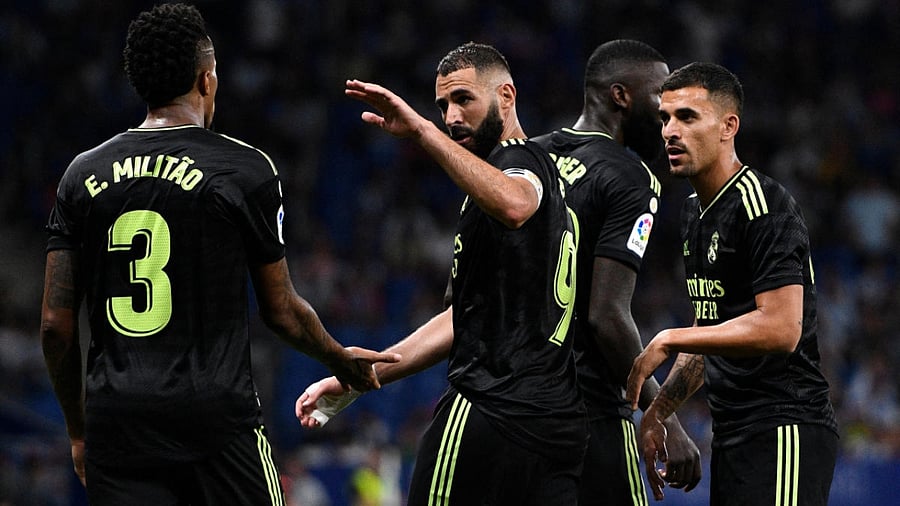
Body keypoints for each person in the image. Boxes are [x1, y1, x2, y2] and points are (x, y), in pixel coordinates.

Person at [39, 4, 399, 505]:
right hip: (216, 423)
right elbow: (282, 312)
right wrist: (341, 360)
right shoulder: (242, 169)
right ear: (206, 81)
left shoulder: (81, 175)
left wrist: (79, 429)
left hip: (119, 425)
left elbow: (56, 326)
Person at [296, 42, 587, 505]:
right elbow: (462, 319)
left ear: (507, 97)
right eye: (442, 106)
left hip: (489, 412)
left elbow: (516, 202)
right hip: (554, 429)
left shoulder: (519, 165)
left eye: (464, 99)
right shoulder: (542, 181)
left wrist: (420, 132)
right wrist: (366, 374)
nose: (451, 117)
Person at [625, 62, 838, 505]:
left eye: (686, 117)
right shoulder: (692, 213)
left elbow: (781, 329)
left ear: (728, 126)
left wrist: (669, 337)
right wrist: (659, 412)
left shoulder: (764, 205)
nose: (669, 131)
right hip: (733, 433)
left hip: (785, 428)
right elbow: (714, 332)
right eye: (665, 118)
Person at [530, 39, 701, 504]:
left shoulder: (527, 159)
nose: (667, 117)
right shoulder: (631, 176)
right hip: (589, 411)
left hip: (516, 408)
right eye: (659, 100)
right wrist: (662, 413)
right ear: (620, 96)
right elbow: (606, 315)